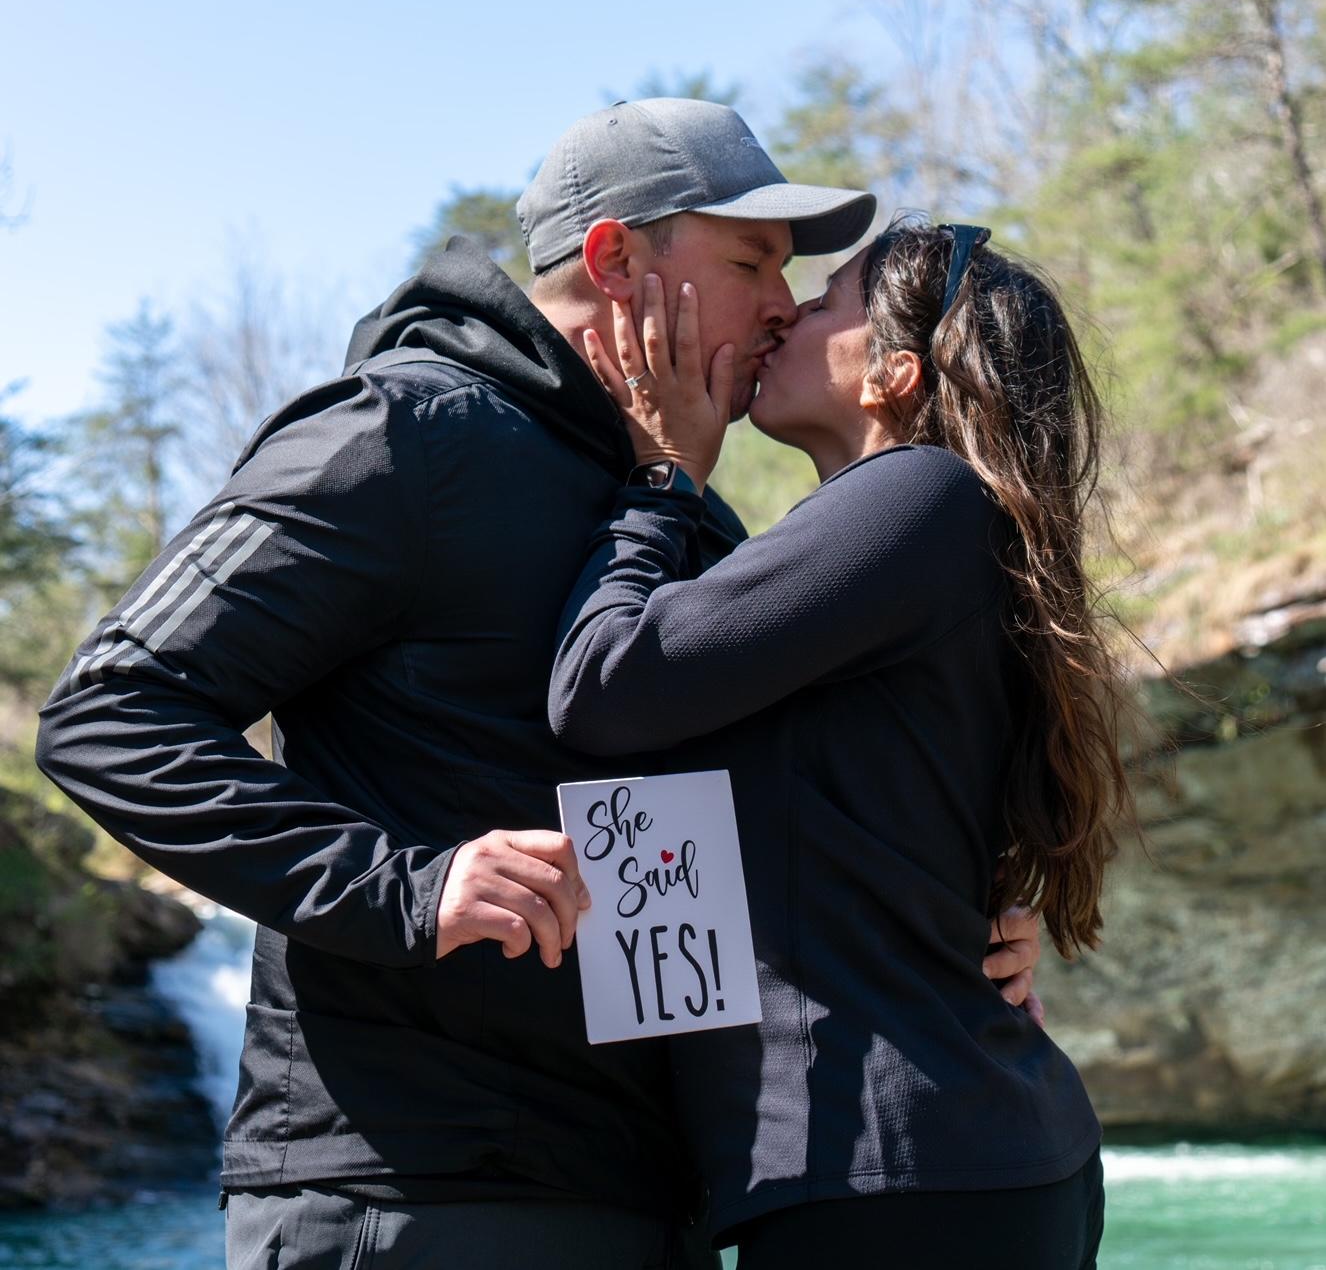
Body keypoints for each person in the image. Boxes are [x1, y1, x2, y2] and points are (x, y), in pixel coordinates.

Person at [35, 101, 1040, 1270]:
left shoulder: (679, 512)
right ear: (617, 261)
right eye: (749, 258)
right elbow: (111, 711)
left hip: (650, 1193)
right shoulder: (403, 435)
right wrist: (406, 888)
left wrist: (957, 939)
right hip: (414, 1188)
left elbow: (763, 815)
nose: (782, 300)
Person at [548, 220, 1133, 1268]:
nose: (783, 313)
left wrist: (663, 480)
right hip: (944, 1162)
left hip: (901, 1175)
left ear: (891, 374)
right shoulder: (943, 526)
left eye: (821, 303)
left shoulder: (917, 496)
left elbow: (605, 687)